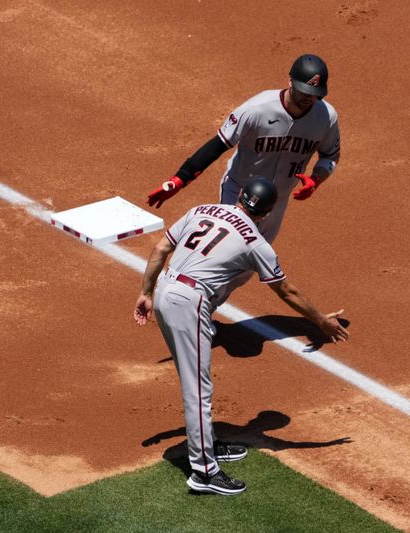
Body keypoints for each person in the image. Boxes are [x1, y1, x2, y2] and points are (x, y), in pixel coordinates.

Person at [134, 178, 349, 495]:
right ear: (268, 210)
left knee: (195, 380)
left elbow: (161, 247)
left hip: (166, 288)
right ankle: (204, 472)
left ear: (241, 197)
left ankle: (207, 445)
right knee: (197, 389)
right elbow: (286, 290)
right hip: (188, 303)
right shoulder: (255, 241)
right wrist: (320, 322)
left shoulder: (202, 210)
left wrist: (145, 292)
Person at [146, 53, 341, 306]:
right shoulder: (256, 109)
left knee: (246, 267)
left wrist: (317, 179)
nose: (307, 98)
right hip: (239, 192)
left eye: (313, 94)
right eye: (303, 91)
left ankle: (206, 304)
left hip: (277, 201)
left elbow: (330, 156)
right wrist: (179, 180)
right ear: (290, 81)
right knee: (223, 253)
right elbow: (217, 145)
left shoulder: (326, 117)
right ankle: (186, 294)